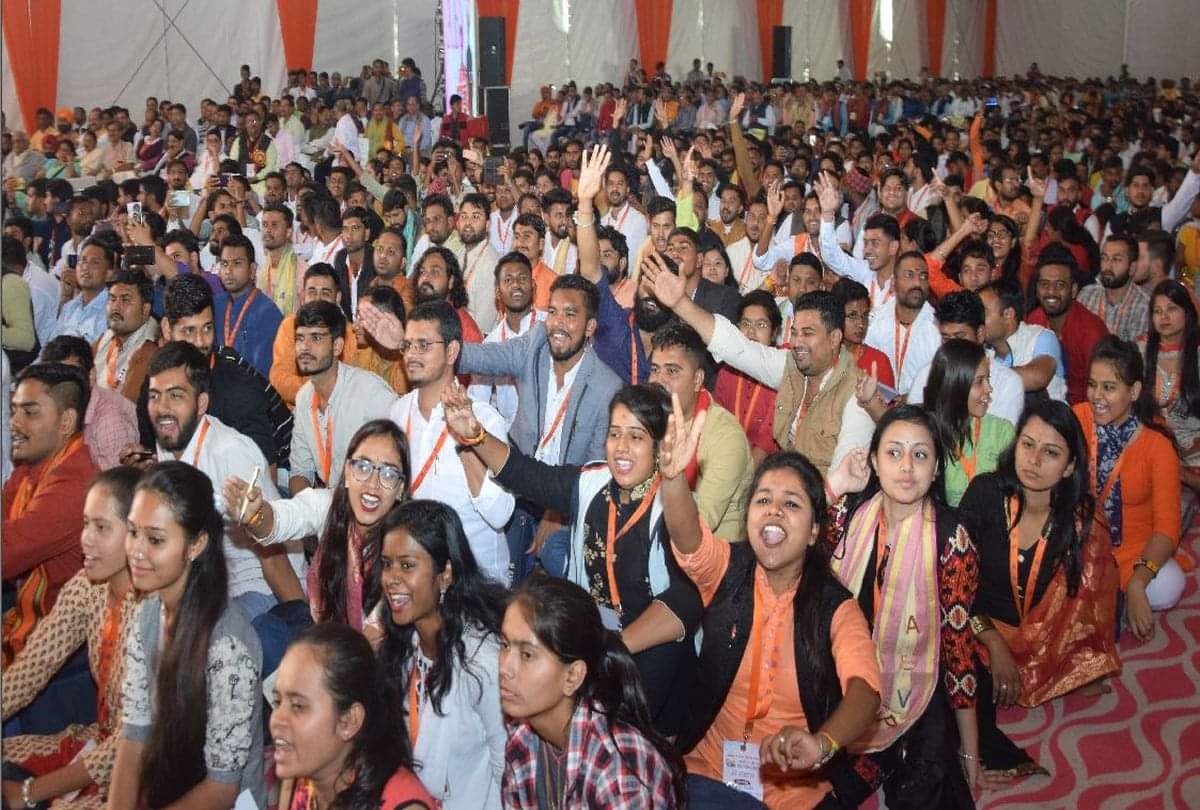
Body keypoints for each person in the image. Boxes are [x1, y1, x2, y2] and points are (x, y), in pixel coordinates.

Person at [442, 380, 702, 734]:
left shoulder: (674, 507)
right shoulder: (591, 482)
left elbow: (687, 599)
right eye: (614, 434)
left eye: (637, 437)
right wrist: (475, 434)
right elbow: (526, 474)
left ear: (659, 447)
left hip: (652, 657)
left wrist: (616, 648)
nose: (621, 448)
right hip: (595, 645)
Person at [662, 396, 883, 807]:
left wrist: (822, 743)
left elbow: (865, 691)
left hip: (795, 789)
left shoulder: (835, 606)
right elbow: (687, 535)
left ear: (816, 531)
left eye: (792, 504)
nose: (774, 511)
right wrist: (674, 479)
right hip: (707, 766)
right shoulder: (729, 569)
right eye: (763, 500)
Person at [959, 400, 1120, 780]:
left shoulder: (1080, 521)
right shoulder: (984, 493)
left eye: (1050, 453)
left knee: (1096, 643)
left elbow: (1085, 605)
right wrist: (994, 643)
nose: (1033, 460)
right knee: (959, 676)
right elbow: (953, 585)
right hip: (978, 622)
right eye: (1027, 445)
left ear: (1069, 466)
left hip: (1048, 634)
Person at [828, 405, 980, 805]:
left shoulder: (952, 539)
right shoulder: (848, 514)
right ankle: (878, 758)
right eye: (894, 453)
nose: (907, 467)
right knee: (819, 790)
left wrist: (969, 745)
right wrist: (836, 483)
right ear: (874, 461)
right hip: (842, 674)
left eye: (920, 455)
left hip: (917, 684)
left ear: (934, 471)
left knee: (924, 793)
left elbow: (957, 644)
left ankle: (896, 754)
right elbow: (791, 552)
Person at [107, 462, 265, 809]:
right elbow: (134, 734)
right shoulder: (147, 611)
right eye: (133, 532)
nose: (136, 551)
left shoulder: (228, 646)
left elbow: (222, 788)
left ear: (196, 545)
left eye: (155, 540)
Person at [1, 468, 141, 810]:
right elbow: (32, 666)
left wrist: (29, 793)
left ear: (135, 534)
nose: (86, 540)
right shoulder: (87, 587)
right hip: (99, 742)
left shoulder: (155, 613)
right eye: (85, 524)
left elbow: (130, 745)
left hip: (140, 770)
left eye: (102, 527)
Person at [655, 264, 875, 476]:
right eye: (795, 332)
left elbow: (844, 478)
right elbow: (735, 346)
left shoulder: (858, 395)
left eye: (807, 333)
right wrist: (680, 303)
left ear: (835, 338)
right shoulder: (792, 366)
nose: (797, 342)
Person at [145, 342, 305, 622]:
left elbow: (273, 555)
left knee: (201, 636)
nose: (162, 408)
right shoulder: (168, 441)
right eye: (154, 396)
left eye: (175, 396)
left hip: (260, 589)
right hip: (208, 586)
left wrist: (300, 625)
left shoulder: (230, 452)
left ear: (201, 404)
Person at [227, 420, 409, 665]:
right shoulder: (328, 507)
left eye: (388, 473)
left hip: (377, 665)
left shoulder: (406, 545)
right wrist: (256, 515)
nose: (372, 484)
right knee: (263, 630)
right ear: (346, 472)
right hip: (328, 639)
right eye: (363, 467)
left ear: (400, 488)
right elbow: (282, 519)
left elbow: (373, 638)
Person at [498, 574, 687, 808]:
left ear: (573, 676)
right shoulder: (521, 738)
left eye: (527, 655)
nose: (504, 667)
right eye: (504, 645)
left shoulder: (617, 770)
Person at [375, 499, 508, 808]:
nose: (391, 578)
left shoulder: (483, 662)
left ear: (445, 574)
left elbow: (508, 775)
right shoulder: (403, 645)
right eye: (386, 564)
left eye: (407, 565)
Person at [387, 301, 514, 581]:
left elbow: (500, 515)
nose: (412, 355)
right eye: (407, 346)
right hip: (418, 577)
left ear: (452, 351)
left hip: (477, 582)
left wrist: (468, 442)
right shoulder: (397, 413)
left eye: (423, 345)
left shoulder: (485, 419)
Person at [1074, 337, 1185, 638]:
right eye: (1092, 384)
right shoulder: (1077, 419)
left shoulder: (1157, 444)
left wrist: (1138, 581)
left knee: (1169, 585)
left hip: (1132, 553)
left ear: (1134, 391)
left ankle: (1116, 592)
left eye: (1109, 387)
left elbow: (1166, 529)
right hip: (1079, 543)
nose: (1097, 396)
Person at [134, 273, 293, 471]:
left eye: (207, 329)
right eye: (189, 331)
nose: (201, 342)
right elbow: (154, 455)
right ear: (166, 329)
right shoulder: (155, 384)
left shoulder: (239, 385)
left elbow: (264, 475)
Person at [271, 623, 435, 810]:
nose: (277, 719)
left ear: (349, 721)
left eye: (298, 706)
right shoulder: (300, 783)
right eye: (277, 702)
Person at [3, 363, 98, 666]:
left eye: (29, 413)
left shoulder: (75, 485)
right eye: (14, 410)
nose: (14, 423)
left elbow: (5, 553)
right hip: (23, 621)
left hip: (58, 653)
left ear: (66, 421)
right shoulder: (32, 464)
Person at [647, 321, 753, 540]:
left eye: (672, 371)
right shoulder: (651, 416)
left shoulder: (725, 437)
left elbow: (697, 526)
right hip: (654, 535)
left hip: (712, 558)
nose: (659, 381)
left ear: (697, 380)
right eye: (655, 369)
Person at [288, 301, 398, 492]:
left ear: (337, 346)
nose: (304, 347)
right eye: (299, 338)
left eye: (315, 338)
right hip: (330, 507)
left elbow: (402, 459)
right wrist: (308, 509)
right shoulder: (304, 398)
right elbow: (300, 471)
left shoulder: (370, 393)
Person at [908, 290, 1025, 428]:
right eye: (946, 338)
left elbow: (998, 442)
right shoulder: (926, 375)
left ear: (980, 334)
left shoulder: (1007, 383)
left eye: (959, 337)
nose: (952, 346)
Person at [921, 339, 1017, 506]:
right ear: (955, 385)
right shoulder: (927, 432)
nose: (989, 389)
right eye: (979, 382)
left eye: (988, 378)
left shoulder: (1001, 431)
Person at [1140, 280, 1200, 504]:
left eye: (1172, 309)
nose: (1164, 317)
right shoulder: (1140, 351)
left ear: (1188, 313)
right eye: (1157, 311)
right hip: (1154, 456)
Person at [1025, 245, 1109, 405]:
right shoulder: (1034, 319)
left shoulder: (1092, 332)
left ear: (1074, 290)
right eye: (1044, 284)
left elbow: (1102, 389)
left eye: (1060, 285)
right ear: (1036, 289)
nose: (1051, 292)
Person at [40, 336, 140, 470]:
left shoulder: (109, 418)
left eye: (72, 376)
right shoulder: (56, 408)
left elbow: (117, 482)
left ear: (91, 376)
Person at [712, 290, 782, 466]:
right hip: (727, 460)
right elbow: (718, 424)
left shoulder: (782, 373)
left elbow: (767, 439)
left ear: (774, 333)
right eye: (746, 324)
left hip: (768, 467)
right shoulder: (727, 372)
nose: (751, 333)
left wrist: (742, 478)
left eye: (761, 325)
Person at [979, 280, 1067, 401]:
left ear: (1008, 314)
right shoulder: (980, 348)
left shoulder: (1042, 337)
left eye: (983, 312)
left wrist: (977, 377)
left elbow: (1037, 377)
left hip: (1048, 417)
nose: (977, 319)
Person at [213, 232, 283, 376]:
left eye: (237, 263)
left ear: (252, 270)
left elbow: (264, 373)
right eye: (224, 264)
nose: (228, 271)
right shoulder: (215, 304)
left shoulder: (267, 313)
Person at [92, 270, 160, 402]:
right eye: (112, 299)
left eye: (125, 300)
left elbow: (126, 408)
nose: (116, 307)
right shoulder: (106, 337)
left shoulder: (149, 349)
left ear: (145, 310)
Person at [1078, 235, 1150, 342]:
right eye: (1104, 258)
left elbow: (1136, 355)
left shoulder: (1144, 305)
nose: (1108, 266)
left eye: (1116, 259)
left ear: (1132, 268)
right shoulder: (1086, 295)